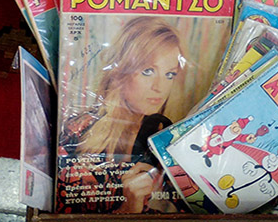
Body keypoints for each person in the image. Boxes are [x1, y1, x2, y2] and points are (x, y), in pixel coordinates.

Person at [56, 16, 186, 214]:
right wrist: (127, 210)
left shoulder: (172, 143)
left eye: (170, 74)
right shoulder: (77, 133)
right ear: (120, 70)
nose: (160, 87)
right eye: (148, 71)